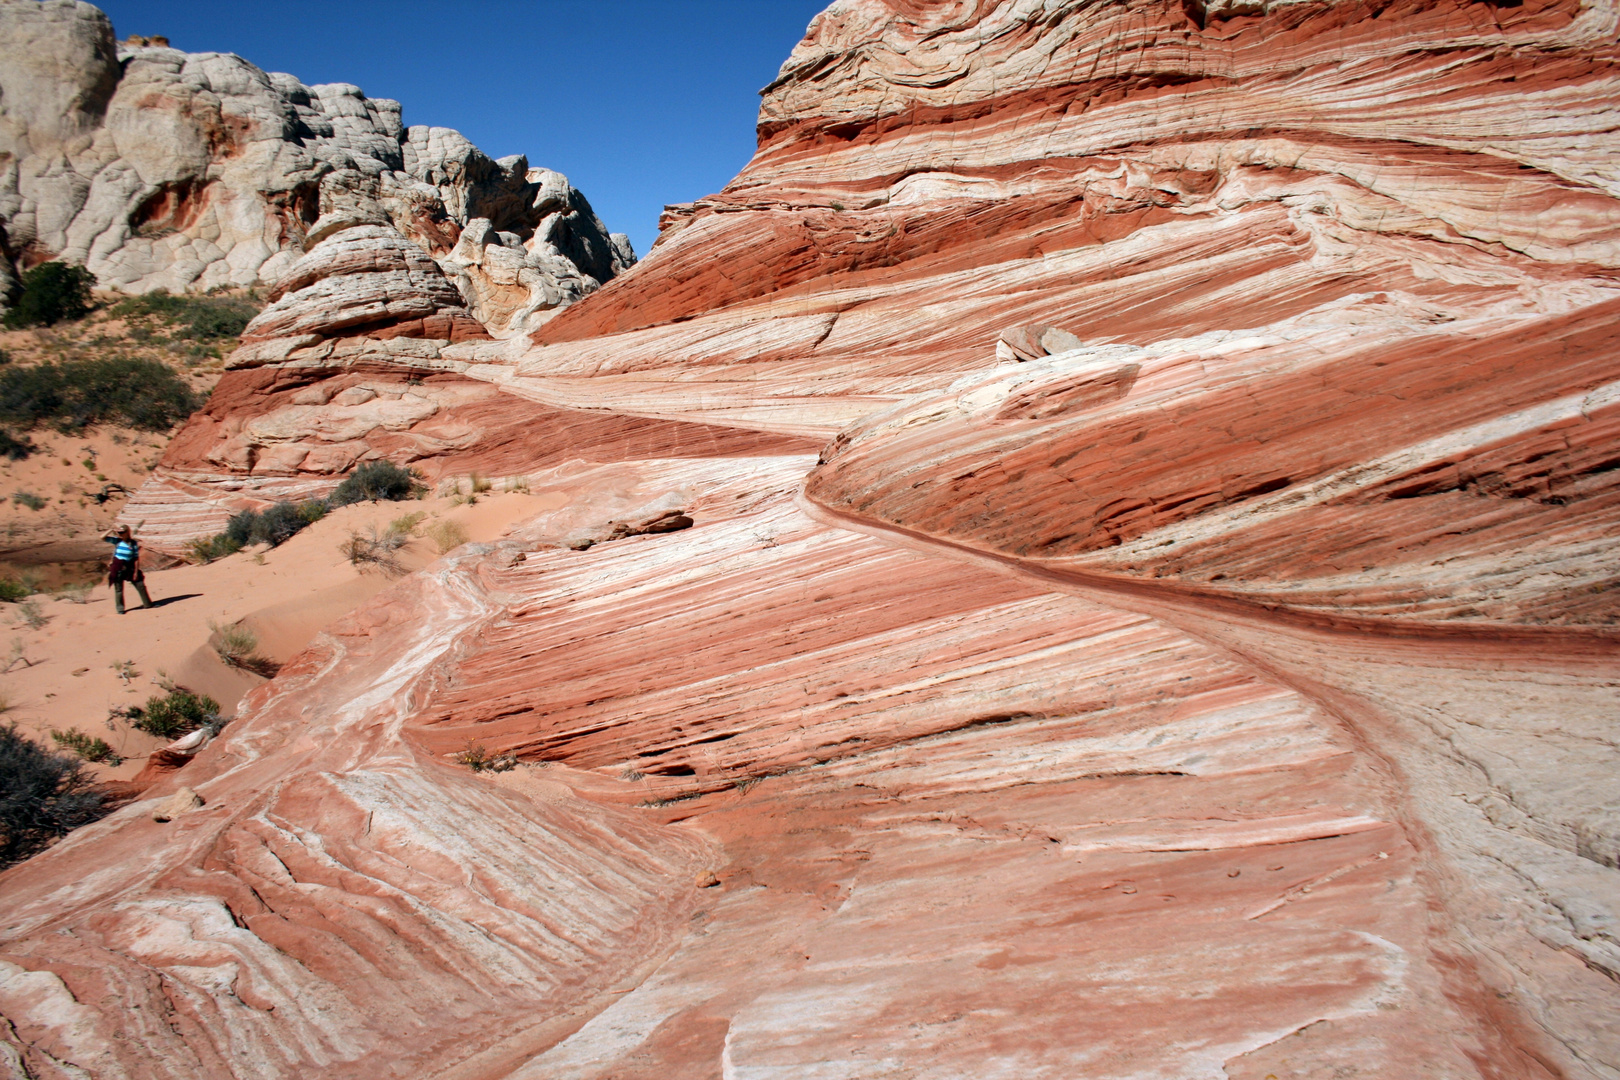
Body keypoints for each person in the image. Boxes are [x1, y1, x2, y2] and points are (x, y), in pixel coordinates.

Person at [104, 524, 153, 614]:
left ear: (127, 532)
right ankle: (120, 609)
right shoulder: (117, 541)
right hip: (118, 568)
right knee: (119, 589)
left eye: (122, 532)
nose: (120, 534)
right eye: (119, 533)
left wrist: (135, 572)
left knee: (140, 585)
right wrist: (111, 529)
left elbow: (136, 558)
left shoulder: (133, 543)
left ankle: (148, 604)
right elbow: (102, 537)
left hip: (129, 568)